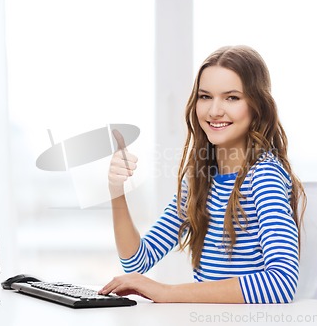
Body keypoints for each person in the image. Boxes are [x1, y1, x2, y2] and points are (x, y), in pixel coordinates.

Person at [99, 45, 306, 304]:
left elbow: (281, 284)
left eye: (232, 98)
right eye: (205, 96)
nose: (214, 111)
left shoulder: (264, 176)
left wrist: (167, 292)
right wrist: (116, 191)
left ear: (257, 107)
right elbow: (137, 261)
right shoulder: (201, 180)